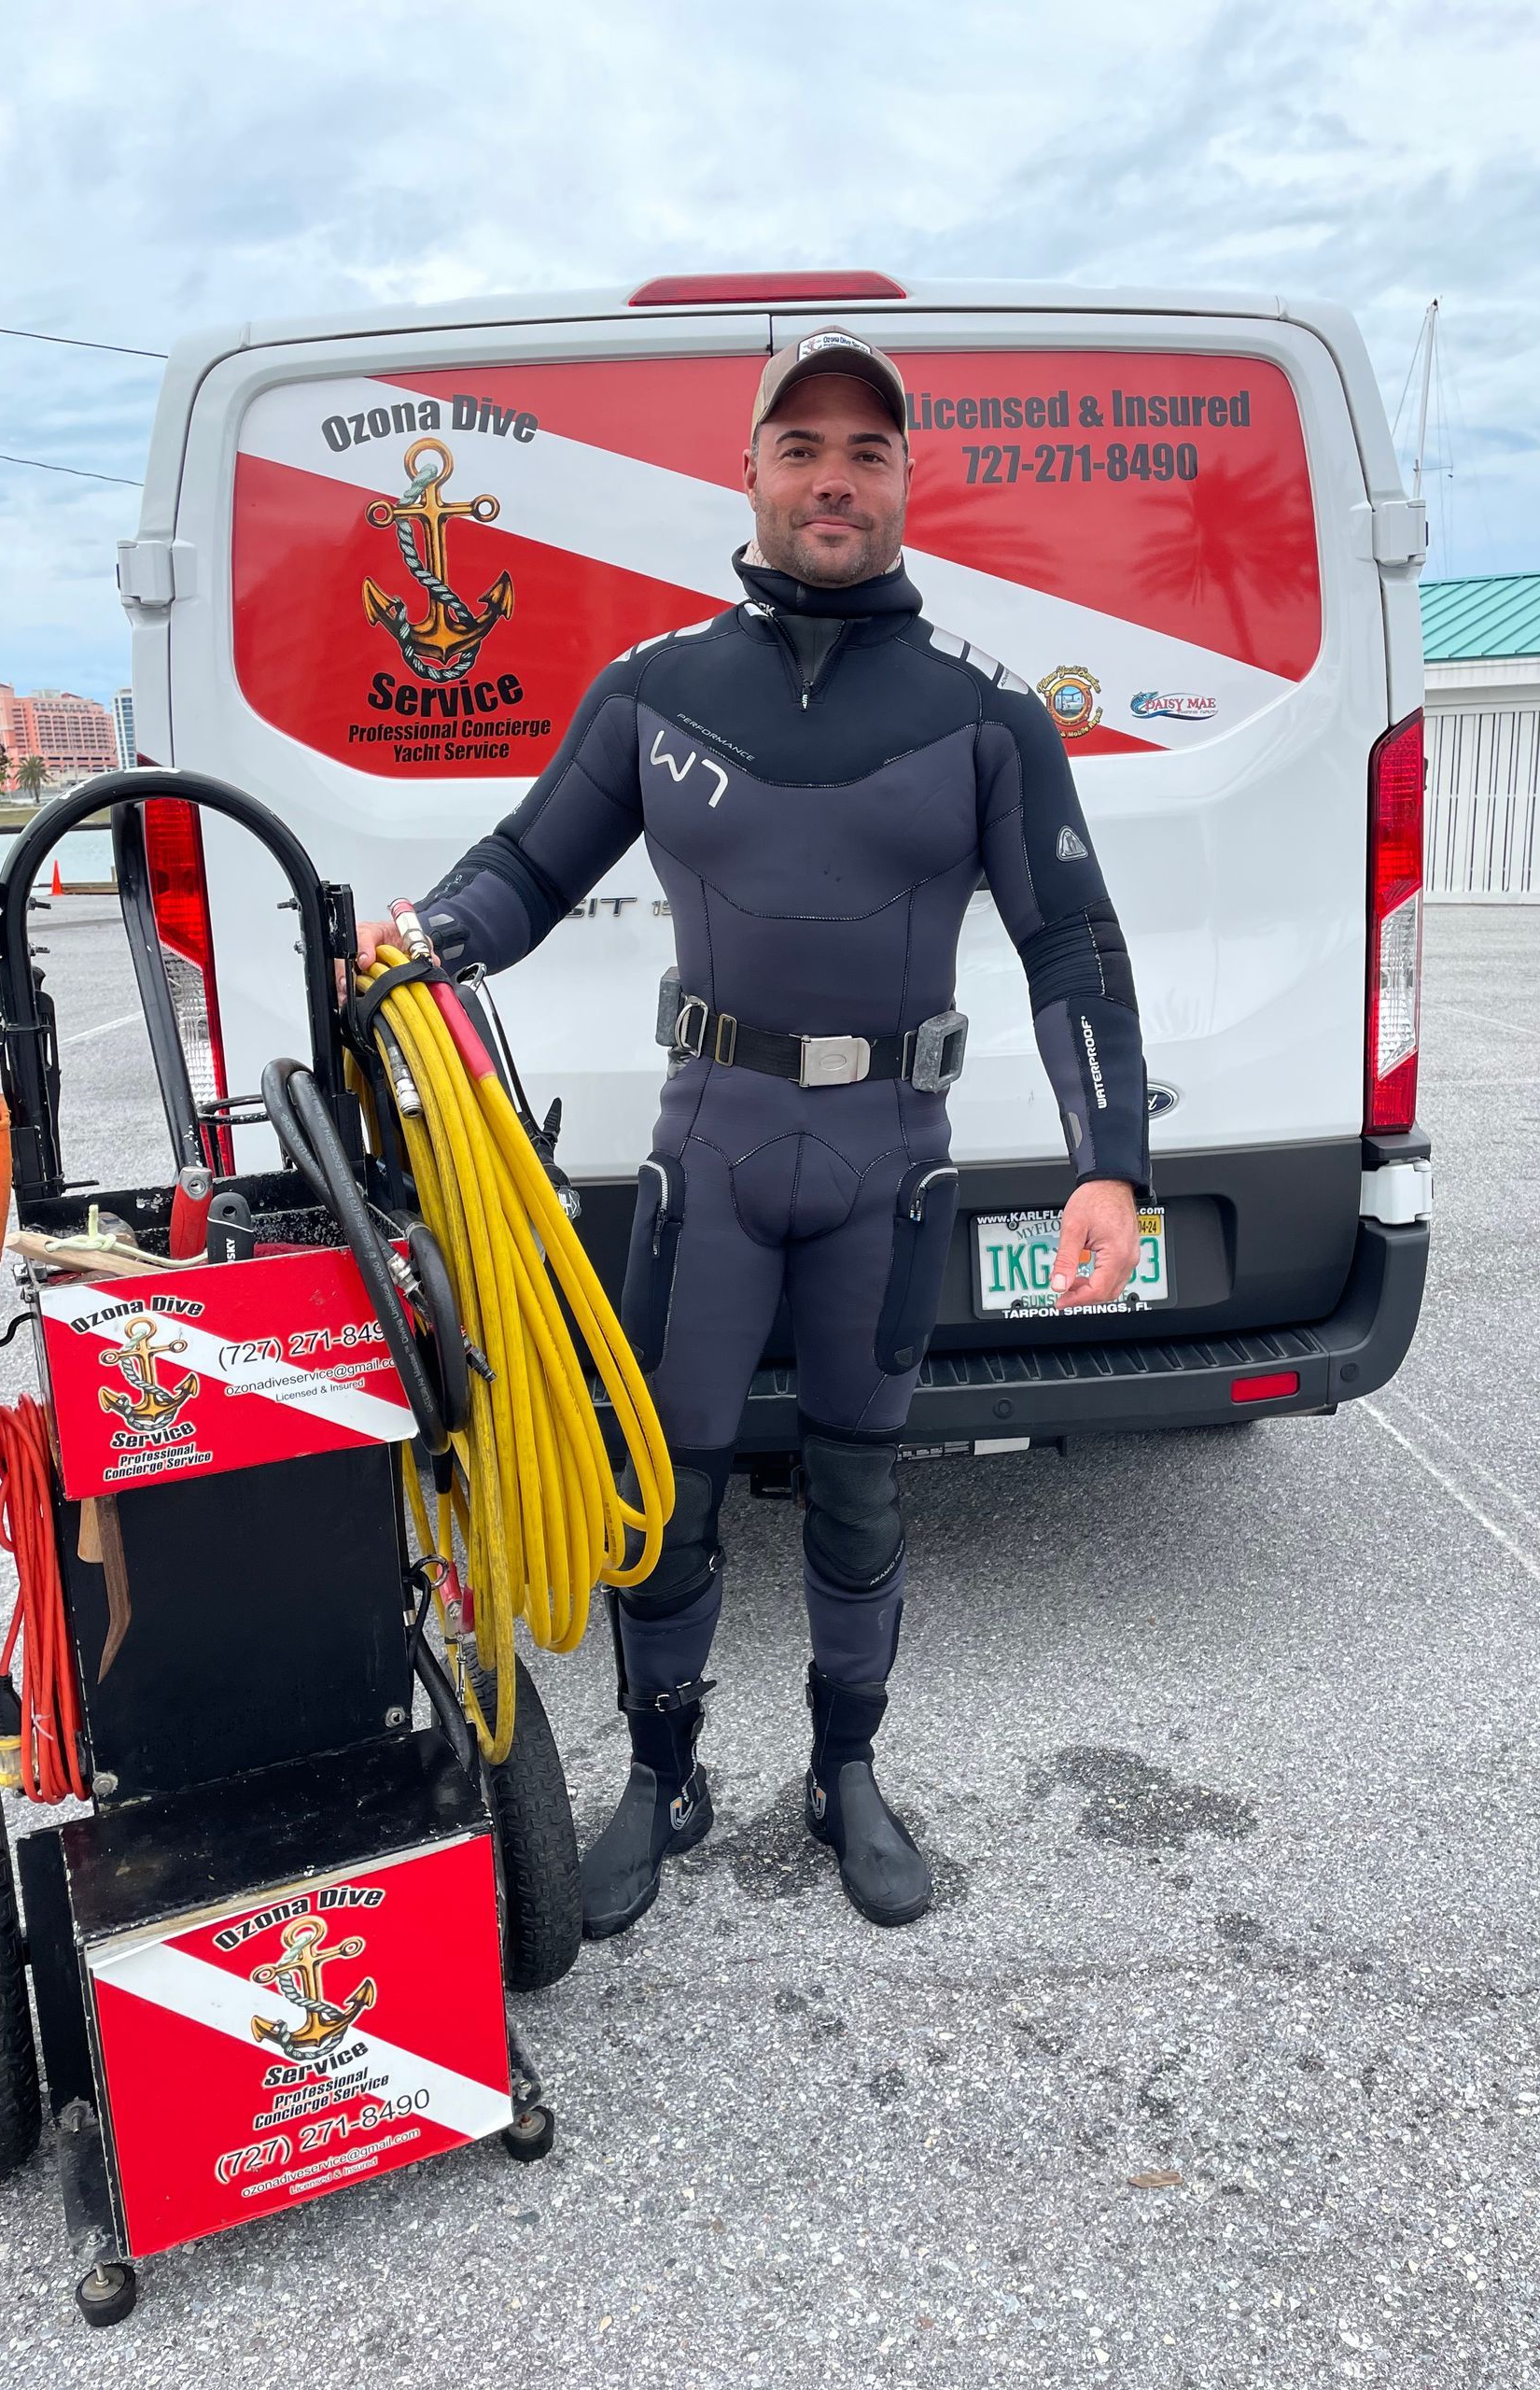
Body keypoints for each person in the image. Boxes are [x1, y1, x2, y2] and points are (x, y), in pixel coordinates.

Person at [353, 327, 1149, 1937]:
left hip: (886, 1162)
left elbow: (1075, 945)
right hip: (708, 1154)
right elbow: (523, 872)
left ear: (908, 482)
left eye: (866, 454)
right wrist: (419, 941)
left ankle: (845, 1772)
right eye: (802, 450)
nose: (833, 480)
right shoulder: (655, 692)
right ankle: (663, 1776)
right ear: (752, 476)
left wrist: (1110, 1163)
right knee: (672, 1491)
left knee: (860, 1490)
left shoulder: (986, 713)